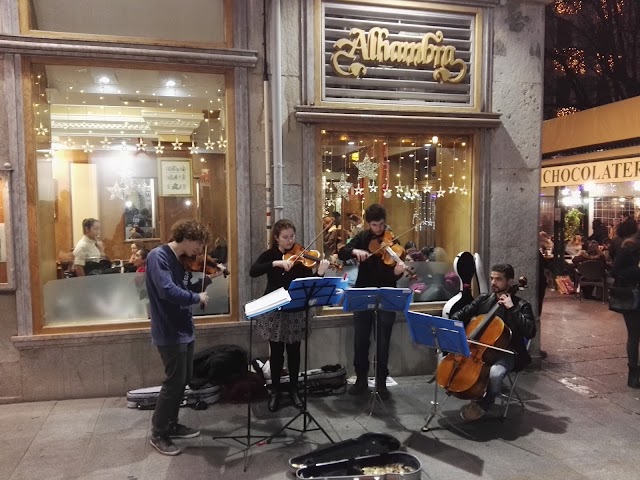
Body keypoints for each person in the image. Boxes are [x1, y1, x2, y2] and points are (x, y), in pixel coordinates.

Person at [145, 219, 224, 456]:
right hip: (169, 329)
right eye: (199, 245)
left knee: (184, 378)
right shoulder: (158, 257)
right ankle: (159, 432)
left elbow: (187, 287)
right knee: (173, 381)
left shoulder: (182, 261)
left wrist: (210, 279)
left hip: (184, 327)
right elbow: (167, 290)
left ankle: (172, 423)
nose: (200, 251)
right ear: (187, 238)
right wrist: (195, 299)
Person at [250, 219, 329, 412]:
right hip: (276, 310)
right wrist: (276, 263)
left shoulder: (302, 255)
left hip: (296, 310)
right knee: (276, 353)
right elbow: (253, 271)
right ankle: (275, 391)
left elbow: (311, 284)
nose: (290, 241)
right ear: (276, 238)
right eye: (285, 237)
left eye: (292, 236)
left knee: (294, 352)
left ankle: (294, 389)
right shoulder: (270, 255)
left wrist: (319, 272)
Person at [337, 203, 407, 400]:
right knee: (361, 339)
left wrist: (396, 272)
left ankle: (382, 382)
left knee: (383, 340)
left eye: (382, 225)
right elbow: (342, 251)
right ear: (369, 224)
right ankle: (361, 380)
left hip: (386, 293)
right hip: (364, 292)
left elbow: (392, 273)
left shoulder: (392, 241)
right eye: (375, 225)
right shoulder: (361, 238)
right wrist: (353, 252)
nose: (379, 229)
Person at [452, 264, 536, 421]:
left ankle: (485, 404)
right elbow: (461, 314)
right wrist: (455, 324)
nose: (493, 282)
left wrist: (512, 309)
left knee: (495, 374)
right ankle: (472, 392)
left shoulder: (522, 305)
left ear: (509, 281)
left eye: (498, 279)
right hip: (481, 350)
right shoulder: (484, 299)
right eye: (492, 278)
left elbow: (530, 331)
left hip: (509, 352)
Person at [611, 231, 640, 389]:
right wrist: (636, 271)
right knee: (635, 335)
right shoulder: (628, 248)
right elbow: (615, 271)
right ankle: (634, 374)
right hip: (634, 298)